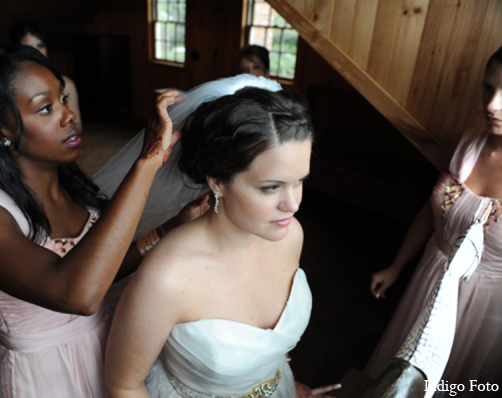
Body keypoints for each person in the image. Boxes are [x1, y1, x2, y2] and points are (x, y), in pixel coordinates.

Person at [0, 45, 204, 397]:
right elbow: (78, 293)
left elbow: (101, 267)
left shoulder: (74, 188)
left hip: (108, 346)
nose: (69, 116)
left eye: (64, 99)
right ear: (0, 128)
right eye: (46, 108)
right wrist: (147, 162)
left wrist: (172, 226)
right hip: (46, 374)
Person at [105, 75, 341, 398]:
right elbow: (123, 384)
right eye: (271, 187)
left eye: (299, 181)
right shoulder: (167, 276)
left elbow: (270, 347)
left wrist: (283, 382)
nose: (293, 204)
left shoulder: (290, 237)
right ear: (217, 182)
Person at [366, 46, 502, 395]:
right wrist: (396, 267)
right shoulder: (467, 143)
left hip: (489, 309)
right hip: (431, 277)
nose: (492, 104)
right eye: (488, 88)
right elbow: (431, 214)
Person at [9, 19, 83, 132]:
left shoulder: (66, 84)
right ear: (17, 52)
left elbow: (78, 126)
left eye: (40, 46)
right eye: (28, 48)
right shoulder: (12, 89)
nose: (37, 53)